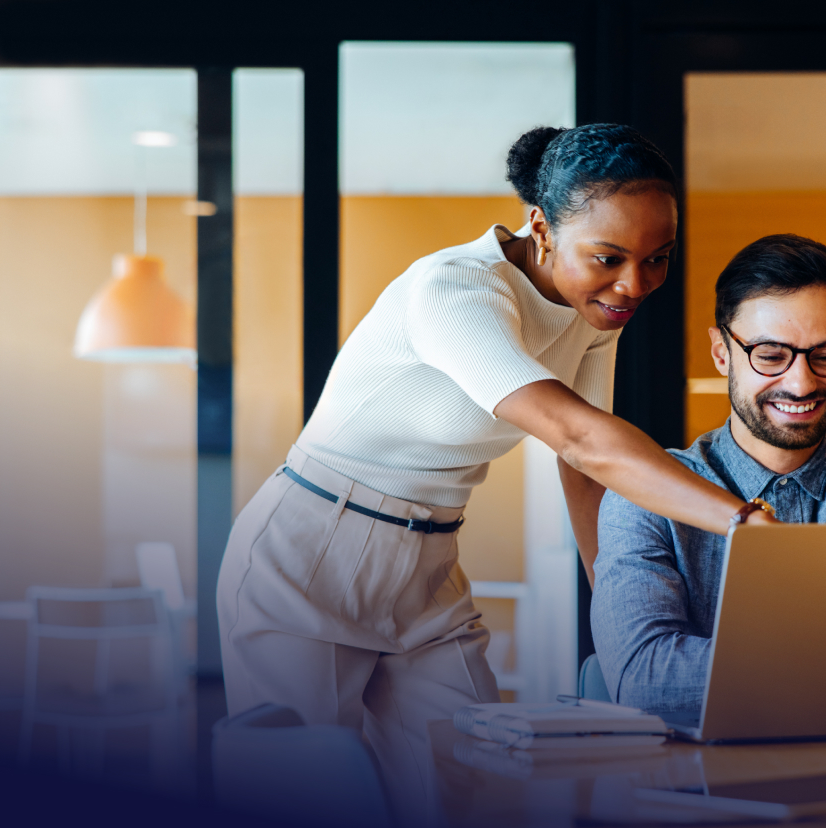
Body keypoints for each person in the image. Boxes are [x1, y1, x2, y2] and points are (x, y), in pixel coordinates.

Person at [215, 124, 777, 811]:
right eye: (608, 257)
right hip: (307, 554)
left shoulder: (593, 311)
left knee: (472, 785)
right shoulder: (454, 290)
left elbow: (588, 472)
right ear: (541, 227)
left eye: (657, 259)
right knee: (311, 798)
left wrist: (616, 603)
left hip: (427, 563)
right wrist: (742, 522)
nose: (634, 284)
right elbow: (578, 437)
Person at [591, 234, 826, 711]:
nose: (801, 383)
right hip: (693, 784)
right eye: (771, 356)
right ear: (721, 353)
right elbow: (647, 682)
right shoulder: (642, 495)